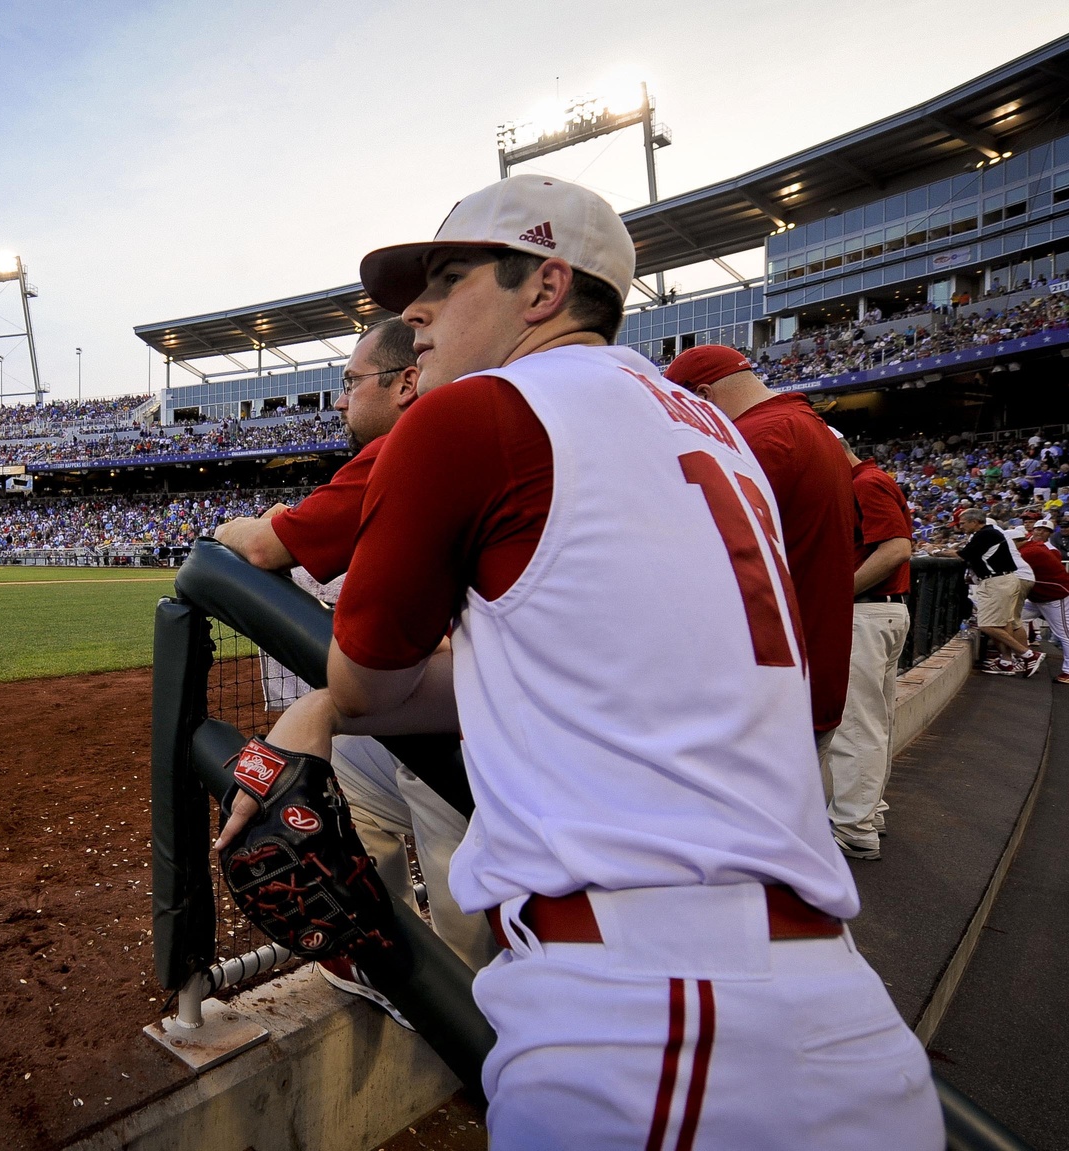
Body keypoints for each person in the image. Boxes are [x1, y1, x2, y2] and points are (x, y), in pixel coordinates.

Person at [225, 174, 939, 1146]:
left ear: (544, 286)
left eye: (447, 277)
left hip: (647, 1022)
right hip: (823, 996)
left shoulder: (472, 415)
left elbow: (365, 680)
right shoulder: (710, 432)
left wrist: (321, 709)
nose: (416, 310)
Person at [216, 319, 495, 1017]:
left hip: (484, 731)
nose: (339, 401)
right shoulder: (459, 426)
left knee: (474, 944)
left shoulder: (418, 436)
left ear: (405, 383)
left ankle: (472, 1028)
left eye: (348, 382)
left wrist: (235, 528)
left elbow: (259, 548)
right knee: (348, 780)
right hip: (467, 699)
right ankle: (380, 959)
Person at [663, 344, 856, 753]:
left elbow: (712, 562)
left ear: (702, 398)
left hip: (771, 685)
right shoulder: (810, 425)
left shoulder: (758, 435)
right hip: (810, 668)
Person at [825, 435, 915, 861]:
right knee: (874, 723)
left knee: (856, 726)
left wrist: (840, 591)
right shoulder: (872, 478)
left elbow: (897, 549)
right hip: (883, 613)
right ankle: (868, 811)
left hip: (867, 613)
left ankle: (853, 827)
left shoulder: (865, 481)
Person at [955, 507, 1039, 675]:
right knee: (1005, 622)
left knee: (986, 625)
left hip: (997, 581)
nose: (960, 526)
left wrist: (935, 551)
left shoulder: (986, 534)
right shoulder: (989, 533)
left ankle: (1028, 655)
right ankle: (1006, 662)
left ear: (974, 522)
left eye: (963, 523)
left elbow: (963, 555)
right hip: (1005, 579)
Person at [1017, 519, 1069, 685]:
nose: (1039, 532)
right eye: (1038, 529)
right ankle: (1024, 657)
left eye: (1044, 530)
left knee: (1064, 634)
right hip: (1037, 597)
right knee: (1014, 618)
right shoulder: (1032, 546)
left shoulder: (1045, 550)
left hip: (1055, 596)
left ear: (1050, 534)